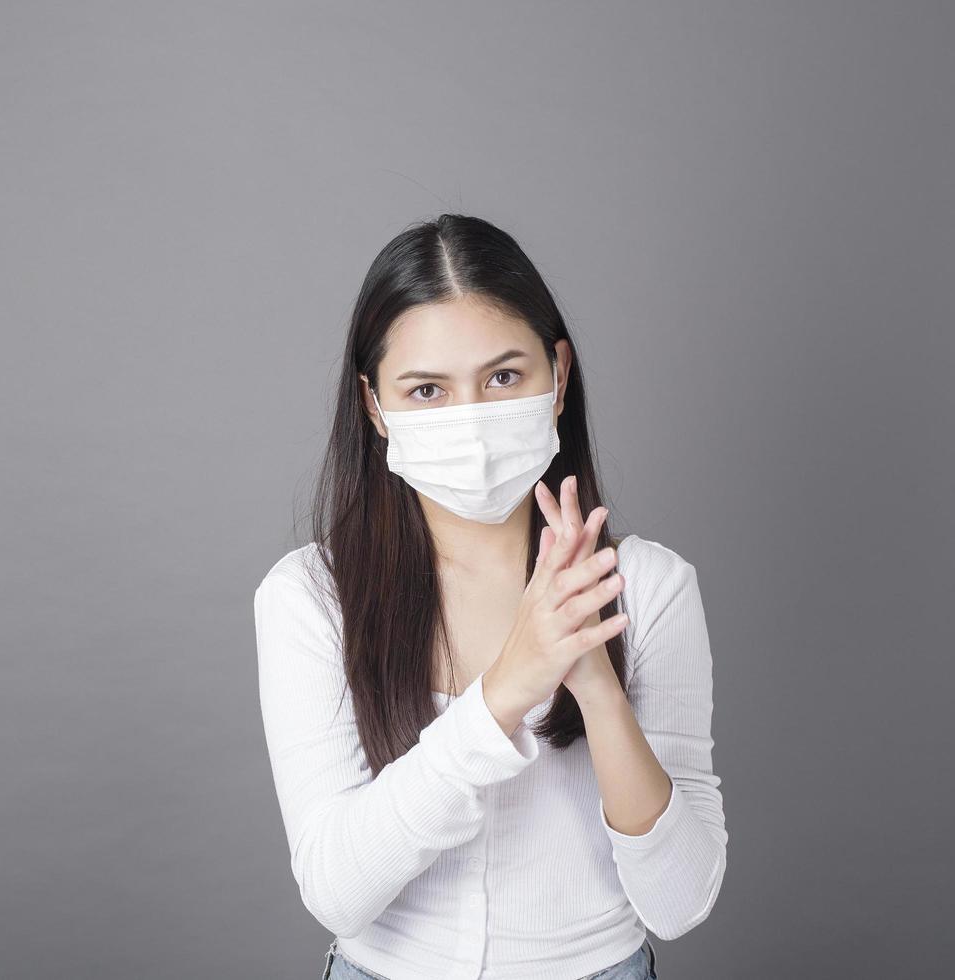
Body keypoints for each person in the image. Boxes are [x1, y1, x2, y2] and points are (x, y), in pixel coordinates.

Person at [254, 214, 725, 980]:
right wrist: (504, 692)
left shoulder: (650, 588)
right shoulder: (311, 597)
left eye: (503, 377)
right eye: (427, 390)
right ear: (375, 406)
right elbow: (337, 893)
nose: (470, 420)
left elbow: (678, 903)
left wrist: (595, 683)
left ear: (558, 374)